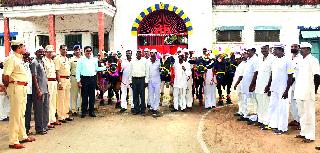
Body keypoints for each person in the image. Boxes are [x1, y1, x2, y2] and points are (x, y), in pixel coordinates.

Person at [3, 40, 36, 149]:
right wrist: (8, 88)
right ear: (19, 47)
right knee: (15, 115)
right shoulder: (11, 59)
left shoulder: (20, 59)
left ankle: (22, 136)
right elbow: (5, 76)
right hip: (16, 87)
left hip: (22, 88)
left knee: (21, 113)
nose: (25, 48)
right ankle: (13, 141)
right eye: (24, 46)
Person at [264, 45, 293, 134]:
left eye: (274, 49)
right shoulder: (275, 60)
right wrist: (268, 86)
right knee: (273, 106)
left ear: (280, 50)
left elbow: (290, 76)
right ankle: (274, 125)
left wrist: (287, 90)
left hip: (283, 88)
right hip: (274, 88)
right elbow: (272, 75)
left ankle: (282, 128)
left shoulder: (288, 61)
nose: (273, 51)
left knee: (282, 108)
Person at [294, 42, 319, 143]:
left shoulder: (313, 60)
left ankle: (310, 136)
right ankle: (303, 133)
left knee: (309, 115)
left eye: (303, 49)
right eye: (300, 48)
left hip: (308, 92)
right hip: (300, 91)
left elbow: (317, 76)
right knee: (302, 114)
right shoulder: (300, 60)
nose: (301, 50)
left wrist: (314, 90)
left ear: (308, 50)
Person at [77, 46, 106, 118]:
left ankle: (91, 111)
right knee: (84, 96)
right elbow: (78, 71)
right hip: (84, 79)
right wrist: (78, 81)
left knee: (92, 96)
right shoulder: (81, 60)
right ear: (84, 52)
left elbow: (96, 69)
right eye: (87, 51)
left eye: (90, 51)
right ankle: (83, 112)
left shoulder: (94, 60)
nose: (89, 52)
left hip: (92, 79)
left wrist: (105, 67)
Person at [30, 47, 50, 135]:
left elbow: (44, 78)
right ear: (35, 53)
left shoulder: (42, 62)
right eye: (39, 52)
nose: (41, 53)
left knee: (45, 109)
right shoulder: (34, 62)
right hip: (39, 90)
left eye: (42, 52)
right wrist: (38, 90)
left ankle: (45, 126)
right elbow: (34, 77)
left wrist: (47, 90)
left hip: (45, 89)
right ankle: (39, 128)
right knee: (39, 110)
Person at [254, 45, 274, 127]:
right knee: (260, 103)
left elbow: (273, 74)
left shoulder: (272, 59)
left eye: (265, 49)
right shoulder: (260, 58)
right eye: (262, 49)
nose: (263, 50)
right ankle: (260, 120)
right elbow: (257, 72)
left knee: (266, 104)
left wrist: (269, 86)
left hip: (266, 86)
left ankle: (266, 122)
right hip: (259, 85)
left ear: (269, 49)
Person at [55, 45, 73, 123]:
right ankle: (60, 116)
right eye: (63, 49)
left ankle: (66, 114)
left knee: (67, 98)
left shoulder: (67, 59)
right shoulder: (57, 59)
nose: (65, 51)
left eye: (66, 49)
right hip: (61, 79)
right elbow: (57, 71)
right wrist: (59, 82)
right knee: (60, 99)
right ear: (60, 50)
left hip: (67, 79)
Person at [43, 45, 61, 126]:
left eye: (51, 52)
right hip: (48, 82)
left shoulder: (52, 61)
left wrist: (58, 82)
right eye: (49, 52)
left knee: (54, 101)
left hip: (54, 82)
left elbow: (55, 73)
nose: (50, 53)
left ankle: (53, 119)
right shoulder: (44, 61)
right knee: (48, 102)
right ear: (45, 52)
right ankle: (47, 121)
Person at [129, 49, 149, 115]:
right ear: (136, 54)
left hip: (142, 79)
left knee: (142, 95)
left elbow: (147, 71)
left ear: (141, 54)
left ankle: (143, 110)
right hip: (134, 79)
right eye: (137, 53)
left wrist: (146, 81)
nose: (138, 54)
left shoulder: (145, 61)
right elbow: (130, 72)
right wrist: (130, 81)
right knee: (135, 95)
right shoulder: (132, 62)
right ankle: (136, 109)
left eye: (140, 53)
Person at [288, 44, 302, 129]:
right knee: (293, 102)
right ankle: (295, 120)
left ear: (299, 48)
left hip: (298, 83)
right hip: (291, 84)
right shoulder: (291, 58)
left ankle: (301, 122)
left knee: (299, 103)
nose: (293, 48)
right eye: (292, 47)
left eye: (295, 47)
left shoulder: (301, 58)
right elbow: (290, 70)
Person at [148, 49, 161, 116]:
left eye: (154, 53)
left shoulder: (159, 62)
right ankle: (152, 107)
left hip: (157, 81)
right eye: (151, 53)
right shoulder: (148, 62)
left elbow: (162, 70)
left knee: (157, 95)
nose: (153, 54)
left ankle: (155, 108)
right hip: (150, 81)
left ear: (156, 54)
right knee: (150, 95)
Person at [23, 52, 33, 135]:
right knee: (23, 112)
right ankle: (23, 130)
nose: (27, 58)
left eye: (28, 56)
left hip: (29, 91)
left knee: (28, 111)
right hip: (22, 91)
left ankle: (27, 129)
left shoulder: (28, 65)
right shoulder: (20, 64)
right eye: (25, 56)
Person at [70, 45, 82, 116]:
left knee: (82, 95)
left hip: (83, 78)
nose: (77, 51)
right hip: (74, 78)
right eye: (76, 50)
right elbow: (69, 70)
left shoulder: (83, 59)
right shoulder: (71, 60)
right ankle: (74, 110)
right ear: (74, 51)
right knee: (74, 95)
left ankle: (81, 109)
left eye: (78, 49)